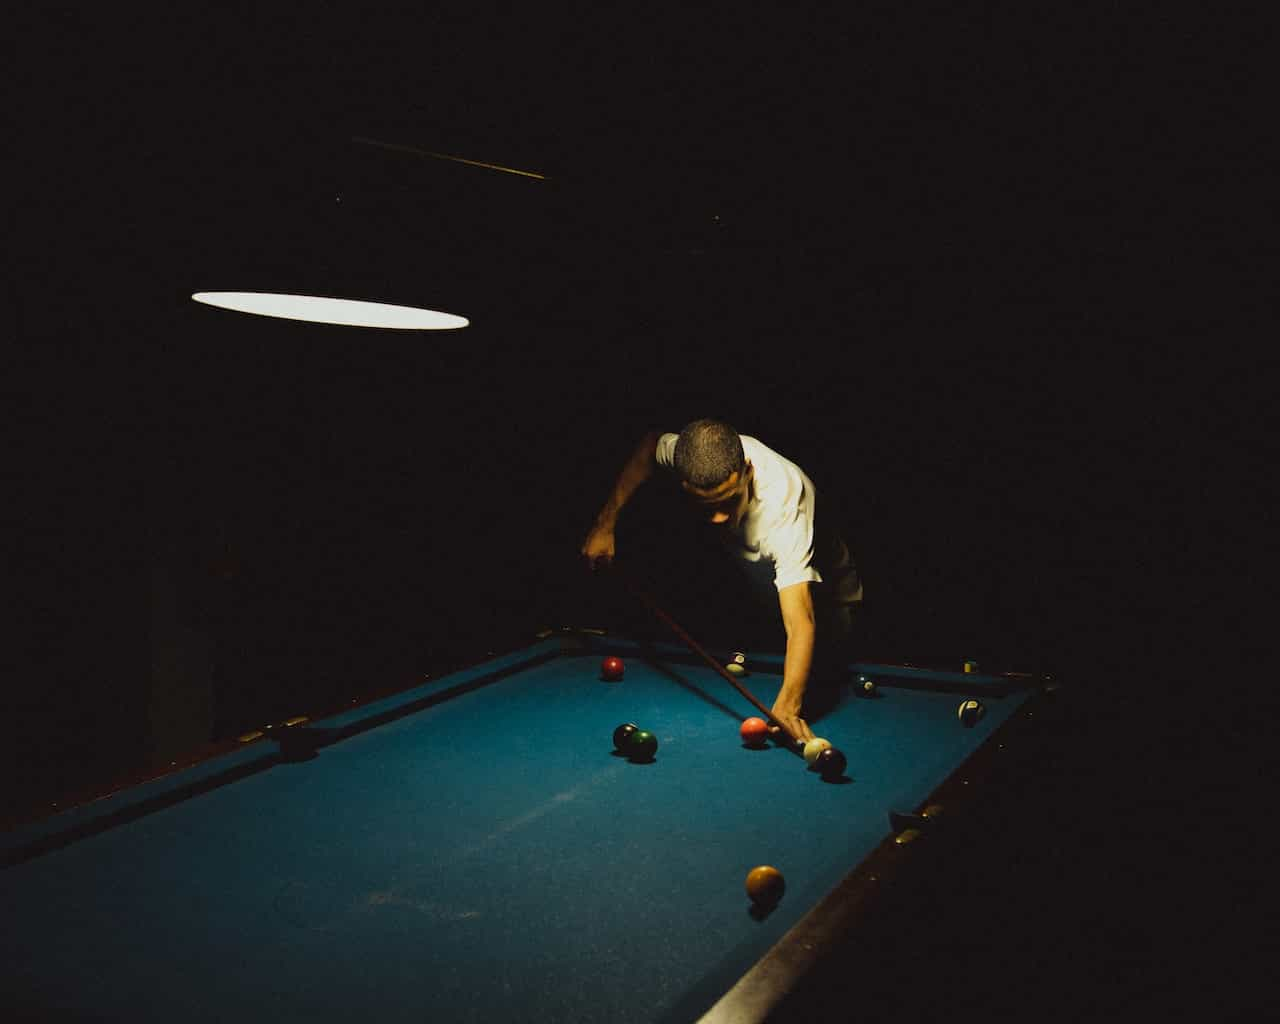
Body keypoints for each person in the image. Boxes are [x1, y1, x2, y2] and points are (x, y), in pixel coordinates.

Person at [581, 419, 862, 744]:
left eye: (729, 501)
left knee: (829, 661)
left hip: (829, 603)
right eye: (707, 506)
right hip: (764, 593)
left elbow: (802, 619)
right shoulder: (687, 454)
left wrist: (789, 705)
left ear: (748, 471)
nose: (719, 518)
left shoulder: (785, 508)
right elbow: (650, 446)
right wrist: (605, 524)